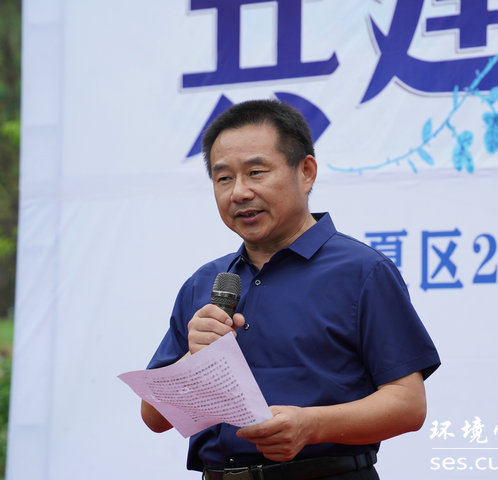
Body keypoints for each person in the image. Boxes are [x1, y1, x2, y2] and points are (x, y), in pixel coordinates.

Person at [141, 99, 440, 479]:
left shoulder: (363, 271)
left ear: (306, 172)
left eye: (256, 172)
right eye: (224, 178)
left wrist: (311, 425)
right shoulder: (206, 282)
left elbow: (408, 405)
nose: (239, 192)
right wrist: (192, 359)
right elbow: (155, 418)